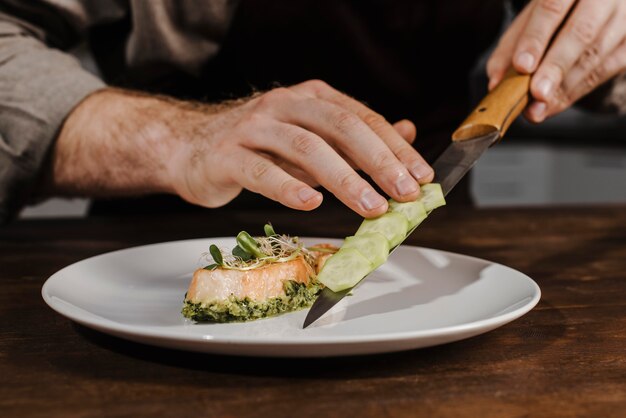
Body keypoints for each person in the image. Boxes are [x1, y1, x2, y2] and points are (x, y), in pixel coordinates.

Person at [1, 0, 625, 224]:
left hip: (436, 252)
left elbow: (593, 64)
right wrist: (180, 139)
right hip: (164, 247)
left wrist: (602, 41)